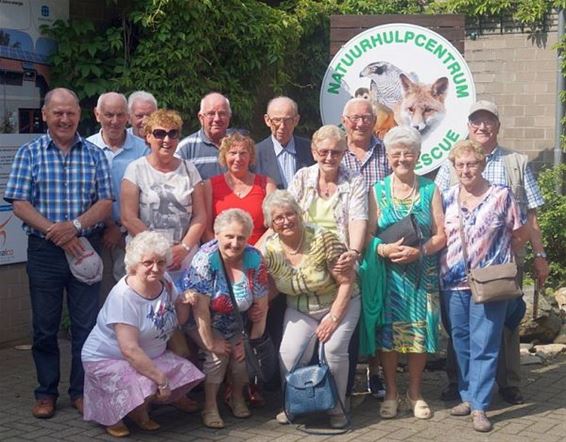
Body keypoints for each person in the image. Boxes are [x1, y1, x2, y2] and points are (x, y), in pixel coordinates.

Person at [4, 87, 113, 418]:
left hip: (85, 248)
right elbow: (19, 202)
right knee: (45, 327)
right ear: (45, 114)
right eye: (58, 113)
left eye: (70, 113)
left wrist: (75, 227)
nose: (64, 118)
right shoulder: (30, 153)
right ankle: (46, 393)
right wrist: (55, 231)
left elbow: (105, 202)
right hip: (44, 252)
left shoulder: (94, 155)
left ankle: (81, 391)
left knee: (86, 326)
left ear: (79, 115)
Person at [435, 100, 549, 405]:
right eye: (476, 122)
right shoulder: (449, 177)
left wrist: (527, 254)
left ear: (498, 126)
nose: (482, 127)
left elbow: (529, 219)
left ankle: (506, 385)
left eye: (488, 122)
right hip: (456, 275)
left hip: (500, 267)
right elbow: (437, 222)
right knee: (460, 335)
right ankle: (463, 387)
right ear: (469, 126)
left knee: (503, 328)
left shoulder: (516, 162)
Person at [440, 140, 528, 432]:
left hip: (490, 283)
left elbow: (519, 233)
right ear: (454, 167)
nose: (466, 170)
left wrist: (499, 260)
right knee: (461, 342)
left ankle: (480, 406)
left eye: (472, 164)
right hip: (453, 283)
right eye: (461, 165)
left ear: (483, 165)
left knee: (486, 345)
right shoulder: (447, 197)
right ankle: (467, 394)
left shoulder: (501, 196)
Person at [81, 231, 205, 437]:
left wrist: (185, 301)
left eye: (161, 262)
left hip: (149, 353)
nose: (155, 268)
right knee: (148, 381)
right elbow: (129, 349)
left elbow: (176, 321)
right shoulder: (123, 297)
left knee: (184, 371)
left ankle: (139, 412)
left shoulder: (164, 280)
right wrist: (161, 380)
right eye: (148, 262)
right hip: (107, 358)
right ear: (133, 265)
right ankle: (113, 417)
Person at [363, 126, 446, 420]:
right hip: (389, 279)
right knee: (388, 337)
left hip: (421, 277)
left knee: (418, 336)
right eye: (396, 153)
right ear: (387, 156)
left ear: (418, 155)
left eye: (408, 153)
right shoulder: (377, 191)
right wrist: (382, 250)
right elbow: (368, 234)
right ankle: (391, 393)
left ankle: (415, 393)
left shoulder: (430, 189)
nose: (402, 158)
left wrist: (420, 250)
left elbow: (441, 234)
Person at [262, 190, 360, 429]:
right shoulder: (270, 249)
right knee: (289, 353)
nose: (285, 221)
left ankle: (337, 407)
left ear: (299, 213)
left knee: (332, 350)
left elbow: (346, 281)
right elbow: (274, 286)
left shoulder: (322, 238)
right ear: (271, 224)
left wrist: (334, 317)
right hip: (299, 307)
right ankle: (294, 405)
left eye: (290, 214)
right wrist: (259, 305)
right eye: (278, 218)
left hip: (339, 301)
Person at [182, 209, 269, 429]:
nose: (234, 243)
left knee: (240, 360)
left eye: (241, 237)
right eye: (229, 236)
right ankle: (210, 406)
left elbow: (262, 303)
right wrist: (211, 342)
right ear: (217, 234)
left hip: (236, 322)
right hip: (205, 321)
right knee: (217, 358)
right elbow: (200, 310)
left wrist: (248, 340)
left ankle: (236, 397)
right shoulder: (205, 259)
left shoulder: (254, 258)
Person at [341, 97, 391, 398]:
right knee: (345, 307)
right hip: (341, 244)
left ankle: (375, 372)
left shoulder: (386, 153)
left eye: (366, 118)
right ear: (344, 120)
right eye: (354, 118)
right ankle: (346, 374)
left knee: (376, 309)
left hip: (378, 244)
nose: (360, 123)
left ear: (375, 121)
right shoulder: (334, 151)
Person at [121, 109, 206, 288]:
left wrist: (183, 248)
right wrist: (160, 252)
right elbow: (128, 218)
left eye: (172, 134)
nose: (167, 140)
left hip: (184, 258)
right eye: (160, 134)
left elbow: (200, 216)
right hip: (147, 259)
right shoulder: (135, 170)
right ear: (148, 137)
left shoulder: (190, 170)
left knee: (187, 308)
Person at [87, 92, 148, 300]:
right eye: (108, 114)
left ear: (128, 117)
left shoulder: (143, 150)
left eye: (120, 115)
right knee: (101, 298)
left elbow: (146, 196)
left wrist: (121, 230)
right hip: (96, 236)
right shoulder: (87, 148)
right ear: (97, 115)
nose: (114, 121)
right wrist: (108, 227)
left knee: (131, 296)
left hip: (130, 235)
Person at [203, 132, 276, 245]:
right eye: (233, 153)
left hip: (260, 252)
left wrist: (256, 251)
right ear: (224, 156)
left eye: (243, 153)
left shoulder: (267, 184)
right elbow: (206, 230)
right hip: (222, 254)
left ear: (250, 156)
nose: (238, 158)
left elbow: (274, 226)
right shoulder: (209, 185)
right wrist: (223, 253)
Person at [254, 96, 314, 189]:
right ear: (267, 120)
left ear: (296, 120)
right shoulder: (255, 154)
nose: (282, 126)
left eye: (287, 120)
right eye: (277, 120)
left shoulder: (310, 150)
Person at [176, 92, 234, 179]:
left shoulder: (239, 144)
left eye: (222, 113)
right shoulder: (186, 148)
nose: (217, 119)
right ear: (201, 117)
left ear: (229, 116)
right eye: (211, 114)